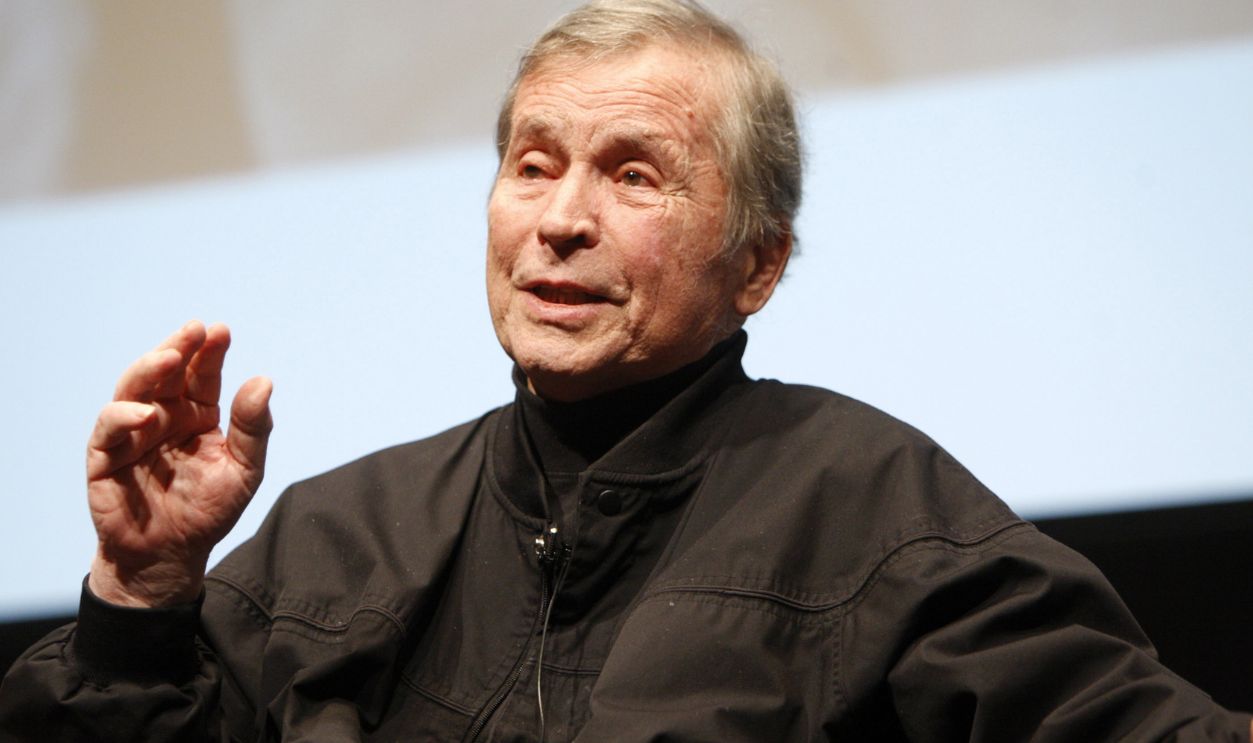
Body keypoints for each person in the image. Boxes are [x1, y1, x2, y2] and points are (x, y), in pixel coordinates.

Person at [1, 1, 1249, 740]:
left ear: (754, 265)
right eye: (532, 164)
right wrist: (139, 597)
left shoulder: (875, 512)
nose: (558, 218)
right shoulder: (337, 536)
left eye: (632, 173)